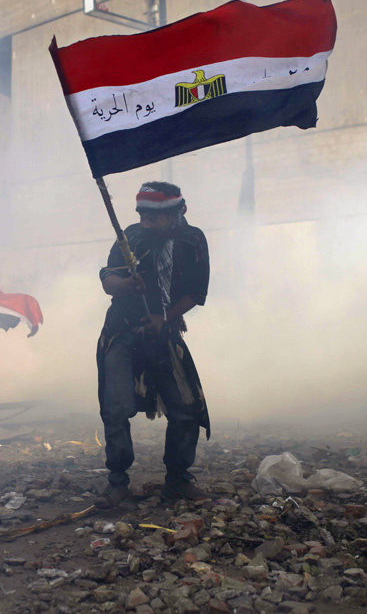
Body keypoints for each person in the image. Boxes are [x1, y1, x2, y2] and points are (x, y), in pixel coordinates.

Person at [95, 181, 211, 508]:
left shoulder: (193, 240)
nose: (146, 223)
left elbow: (196, 294)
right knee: (115, 407)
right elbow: (107, 278)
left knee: (186, 408)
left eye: (153, 218)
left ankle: (177, 480)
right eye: (142, 216)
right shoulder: (129, 237)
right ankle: (117, 483)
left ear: (179, 213)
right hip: (123, 332)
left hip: (166, 334)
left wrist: (165, 317)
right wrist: (125, 284)